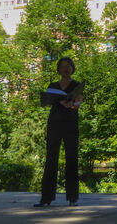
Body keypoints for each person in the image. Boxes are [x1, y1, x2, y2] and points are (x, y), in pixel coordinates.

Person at [34, 57, 83, 207]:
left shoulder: (77, 85)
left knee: (72, 158)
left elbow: (79, 101)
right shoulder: (53, 85)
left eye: (68, 66)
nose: (66, 69)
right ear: (59, 69)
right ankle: (46, 198)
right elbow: (47, 100)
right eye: (63, 66)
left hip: (71, 122)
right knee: (51, 158)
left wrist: (73, 104)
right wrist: (60, 101)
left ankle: (72, 197)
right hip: (55, 123)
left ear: (72, 68)